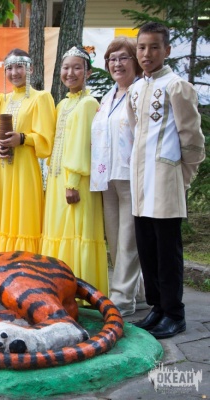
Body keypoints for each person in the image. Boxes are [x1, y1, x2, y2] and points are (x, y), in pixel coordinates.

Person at [127, 22, 205, 339]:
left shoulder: (177, 87)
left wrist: (181, 177)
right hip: (140, 182)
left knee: (167, 252)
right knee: (147, 249)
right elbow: (135, 133)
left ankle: (174, 313)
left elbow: (192, 138)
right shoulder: (135, 89)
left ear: (167, 50)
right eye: (142, 47)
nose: (147, 54)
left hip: (165, 181)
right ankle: (157, 308)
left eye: (154, 47)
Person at [40, 46, 108, 296]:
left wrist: (73, 183)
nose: (70, 73)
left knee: (76, 231)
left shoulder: (88, 103)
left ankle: (81, 291)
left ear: (88, 73)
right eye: (66, 67)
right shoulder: (63, 104)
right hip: (58, 179)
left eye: (77, 68)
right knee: (59, 231)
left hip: (75, 182)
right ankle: (59, 287)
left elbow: (82, 145)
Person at [90, 37, 146, 317]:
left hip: (132, 175)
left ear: (135, 62)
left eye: (124, 58)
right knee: (115, 240)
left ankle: (121, 300)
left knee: (128, 240)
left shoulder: (140, 92)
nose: (117, 64)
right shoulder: (107, 97)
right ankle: (140, 292)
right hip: (106, 176)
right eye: (112, 59)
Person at [0, 49, 55, 255]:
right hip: (3, 171)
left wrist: (23, 138)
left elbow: (46, 139)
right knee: (4, 216)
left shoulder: (41, 98)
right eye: (9, 68)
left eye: (20, 67)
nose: (14, 72)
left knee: (24, 214)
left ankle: (26, 261)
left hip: (26, 169)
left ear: (31, 69)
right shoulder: (3, 99)